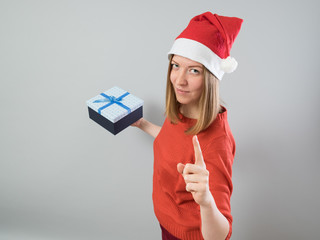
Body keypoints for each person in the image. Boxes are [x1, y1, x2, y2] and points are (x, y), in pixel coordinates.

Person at [132, 12, 243, 240]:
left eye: (194, 70)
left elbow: (221, 234)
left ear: (212, 77)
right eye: (175, 65)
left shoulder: (217, 141)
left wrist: (206, 200)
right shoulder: (183, 110)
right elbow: (175, 143)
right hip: (167, 224)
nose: (179, 80)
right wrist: (142, 124)